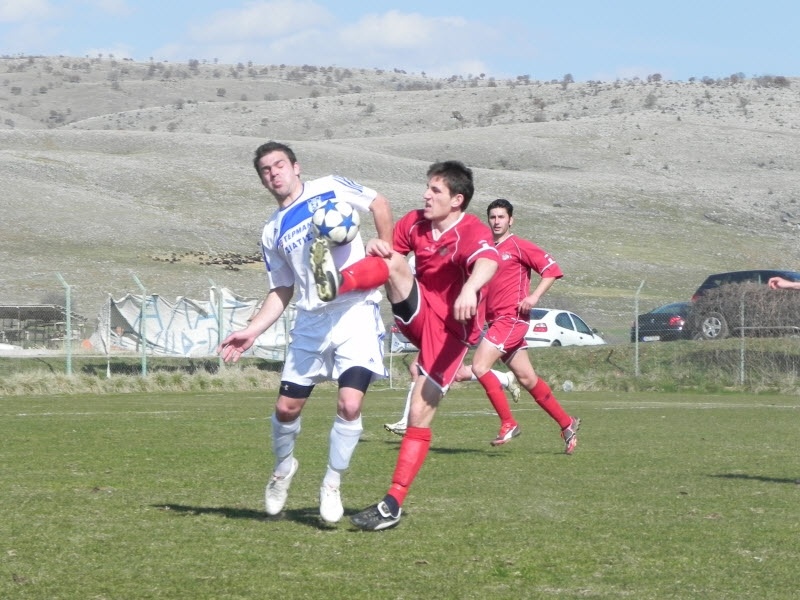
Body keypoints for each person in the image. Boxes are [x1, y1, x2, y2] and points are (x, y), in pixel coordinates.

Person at [312, 159, 501, 530]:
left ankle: (392, 504)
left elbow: (489, 261)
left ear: (457, 200)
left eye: (435, 191)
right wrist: (376, 244)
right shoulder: (415, 222)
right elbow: (387, 255)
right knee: (392, 260)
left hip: (451, 334)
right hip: (418, 313)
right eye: (427, 188)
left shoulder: (472, 231)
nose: (425, 195)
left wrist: (469, 288)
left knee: (418, 414)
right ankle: (336, 281)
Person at [218, 141, 393, 525]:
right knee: (285, 409)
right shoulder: (271, 231)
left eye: (279, 165)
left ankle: (331, 484)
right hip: (311, 321)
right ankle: (282, 470)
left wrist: (387, 244)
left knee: (349, 405)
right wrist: (251, 331)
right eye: (265, 170)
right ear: (263, 180)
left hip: (356, 311)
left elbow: (379, 202)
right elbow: (282, 290)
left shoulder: (330, 187)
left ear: (296, 167)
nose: (274, 173)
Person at [470, 198, 580, 450]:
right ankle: (567, 423)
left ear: (511, 220)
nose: (496, 221)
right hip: (497, 320)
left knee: (479, 366)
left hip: (511, 318)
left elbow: (551, 270)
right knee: (527, 378)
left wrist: (534, 297)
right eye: (493, 217)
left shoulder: (518, 246)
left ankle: (508, 422)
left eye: (501, 217)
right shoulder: (486, 249)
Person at [383, 355, 520, 436]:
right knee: (458, 373)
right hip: (438, 329)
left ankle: (407, 422)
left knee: (418, 368)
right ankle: (505, 378)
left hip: (448, 331)